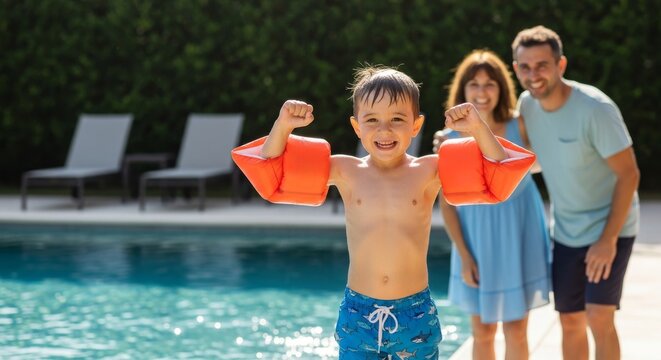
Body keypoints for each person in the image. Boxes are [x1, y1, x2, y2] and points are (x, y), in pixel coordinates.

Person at [231, 66, 535, 359]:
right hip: (358, 312)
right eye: (372, 120)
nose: (384, 130)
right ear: (356, 126)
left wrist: (477, 128)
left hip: (414, 312)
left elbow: (499, 169)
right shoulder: (345, 170)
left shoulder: (430, 169)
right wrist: (283, 125)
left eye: (397, 119)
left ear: (416, 126)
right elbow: (272, 169)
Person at [511, 26, 640, 360]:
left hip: (611, 227)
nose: (533, 75)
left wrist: (607, 240)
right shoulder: (527, 106)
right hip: (567, 231)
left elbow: (629, 174)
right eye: (525, 67)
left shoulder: (596, 109)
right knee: (569, 320)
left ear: (561, 65)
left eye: (542, 65)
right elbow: (526, 158)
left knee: (599, 316)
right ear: (515, 69)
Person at [433, 49, 551, 359]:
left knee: (516, 329)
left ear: (501, 88)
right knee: (482, 332)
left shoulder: (521, 125)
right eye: (474, 84)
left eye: (490, 84)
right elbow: (447, 204)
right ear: (463, 89)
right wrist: (463, 253)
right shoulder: (447, 139)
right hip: (475, 240)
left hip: (520, 234)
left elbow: (544, 162)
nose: (482, 92)